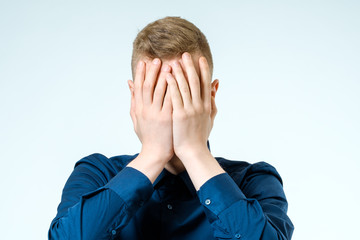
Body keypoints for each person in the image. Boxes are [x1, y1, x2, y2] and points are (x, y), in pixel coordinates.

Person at [48, 16, 294, 240]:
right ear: (135, 98)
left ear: (210, 97)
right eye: (157, 93)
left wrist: (194, 150)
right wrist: (153, 153)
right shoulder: (97, 174)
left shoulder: (254, 181)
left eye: (186, 92)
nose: (173, 108)